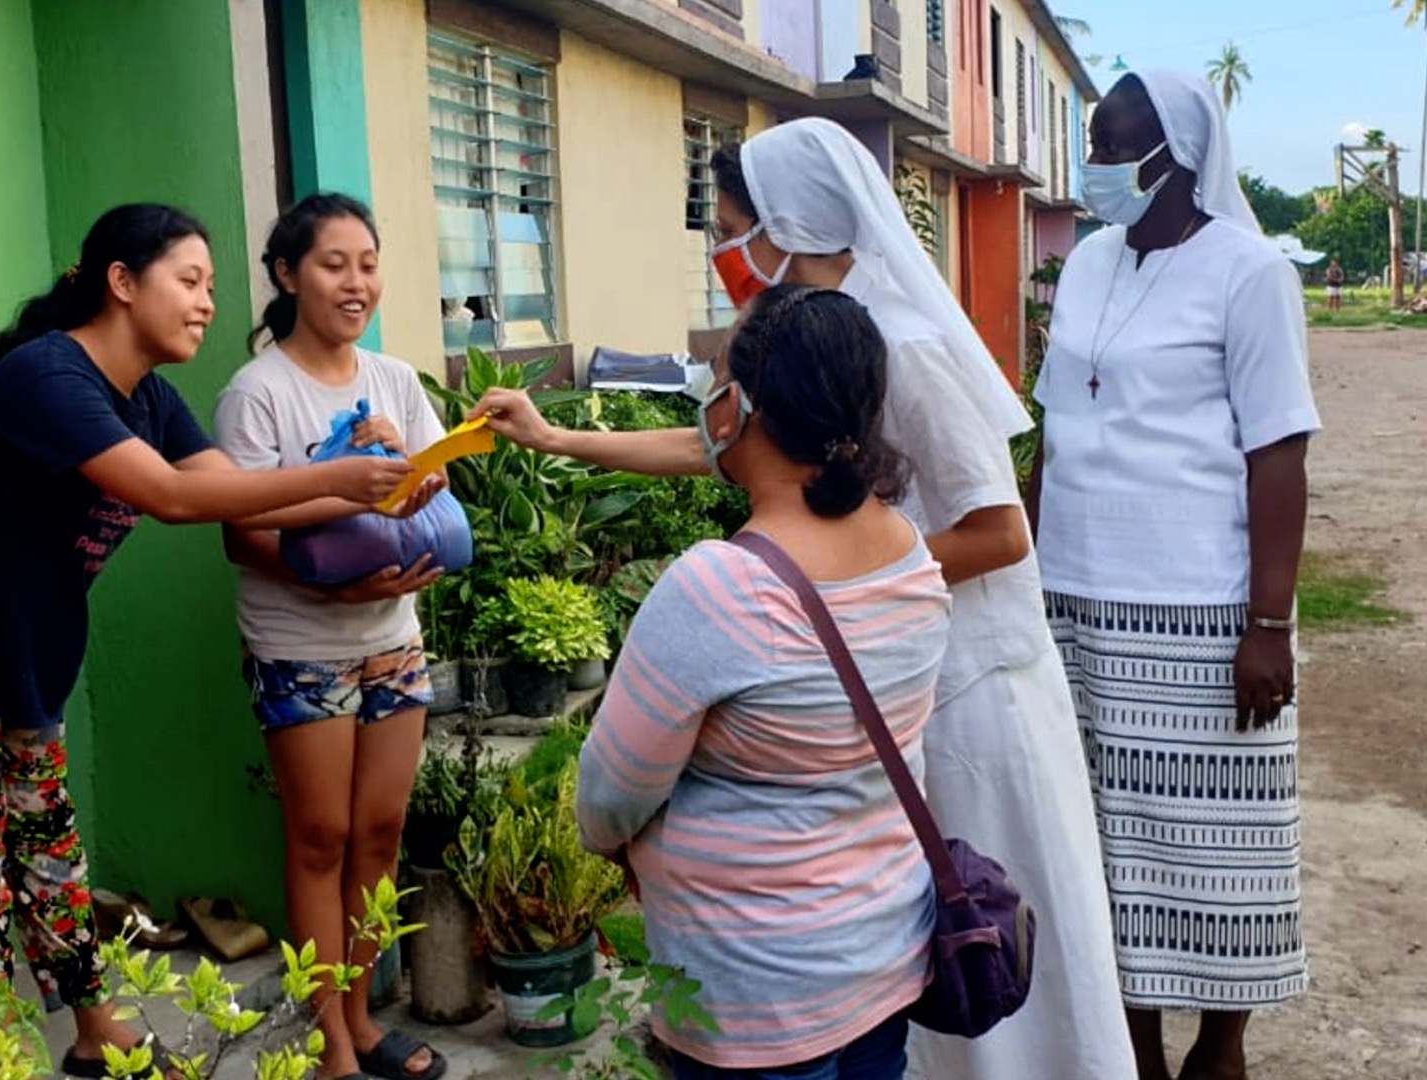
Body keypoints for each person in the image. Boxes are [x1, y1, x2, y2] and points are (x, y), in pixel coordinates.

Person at [476, 119, 1139, 1080]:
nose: (721, 251)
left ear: (784, 224)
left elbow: (1000, 531)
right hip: (865, 677)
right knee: (881, 953)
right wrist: (561, 440)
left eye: (733, 225)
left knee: (976, 962)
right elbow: (720, 440)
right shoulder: (805, 350)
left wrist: (842, 588)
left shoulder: (900, 347)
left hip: (954, 691)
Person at [0, 203, 410, 1078]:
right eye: (189, 281)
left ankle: (95, 1023)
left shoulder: (146, 396)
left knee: (50, 857)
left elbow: (246, 491)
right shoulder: (49, 377)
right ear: (120, 282)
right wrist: (348, 482)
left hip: (33, 660)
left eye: (213, 288)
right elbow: (174, 500)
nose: (208, 303)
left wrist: (380, 496)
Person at [577, 285, 950, 1079]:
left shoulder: (719, 590)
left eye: (715, 374)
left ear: (738, 408)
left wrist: (627, 852)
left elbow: (609, 795)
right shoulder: (909, 555)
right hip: (883, 960)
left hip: (755, 995)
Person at [1034, 69, 1318, 1080]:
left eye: (1112, 145)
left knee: (1221, 851)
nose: (1096, 164)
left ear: (1175, 155)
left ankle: (1222, 1049)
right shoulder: (1088, 263)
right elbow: (1056, 425)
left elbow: (1277, 451)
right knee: (1110, 848)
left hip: (1202, 613)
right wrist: (1031, 573)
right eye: (1094, 143)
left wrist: (1268, 624)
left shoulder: (1250, 272)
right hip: (1076, 602)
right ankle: (1137, 1054)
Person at [214, 193, 449, 1080]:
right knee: (319, 835)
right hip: (299, 644)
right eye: (333, 264)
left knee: (381, 832)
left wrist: (412, 474)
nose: (357, 284)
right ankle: (330, 1041)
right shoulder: (258, 391)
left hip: (394, 634)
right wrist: (334, 577)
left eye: (368, 263)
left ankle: (361, 1015)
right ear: (287, 274)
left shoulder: (393, 380)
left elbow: (430, 492)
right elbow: (241, 532)